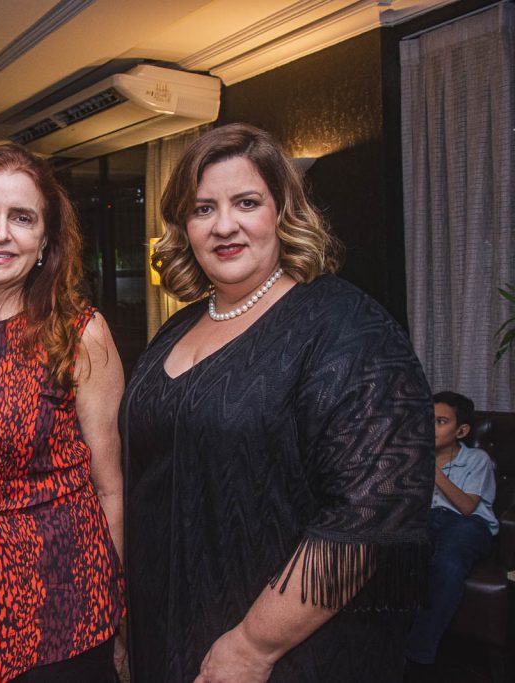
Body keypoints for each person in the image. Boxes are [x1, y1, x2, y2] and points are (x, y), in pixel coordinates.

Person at [123, 123, 434, 682]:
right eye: (202, 209)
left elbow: (371, 511)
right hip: (167, 629)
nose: (224, 225)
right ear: (184, 227)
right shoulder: (174, 331)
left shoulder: (344, 325)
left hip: (285, 650)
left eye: (246, 202)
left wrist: (251, 646)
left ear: (282, 211)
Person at [0, 143, 125, 682]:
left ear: (45, 242)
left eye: (22, 218)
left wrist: (121, 610)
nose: (1, 233)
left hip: (64, 603)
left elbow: (110, 488)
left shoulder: (80, 333)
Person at [405, 391, 498, 665]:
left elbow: (467, 506)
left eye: (441, 421)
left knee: (448, 563)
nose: (431, 428)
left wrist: (431, 468)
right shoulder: (412, 456)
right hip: (426, 519)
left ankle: (415, 654)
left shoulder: (476, 459)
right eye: (427, 420)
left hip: (468, 524)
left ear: (462, 430)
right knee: (395, 554)